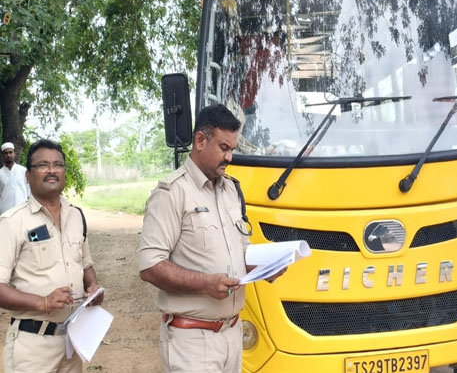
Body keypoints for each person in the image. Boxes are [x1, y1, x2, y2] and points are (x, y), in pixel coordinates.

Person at [138, 104, 285, 373]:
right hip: (192, 341)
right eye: (224, 148)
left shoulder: (230, 190)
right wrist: (205, 284)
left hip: (232, 333)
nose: (229, 157)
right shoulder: (171, 193)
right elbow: (150, 266)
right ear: (200, 141)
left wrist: (265, 267)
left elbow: (242, 249)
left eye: (232, 149)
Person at [0, 139, 104, 373]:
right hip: (32, 346)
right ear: (28, 176)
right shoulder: (12, 222)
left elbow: (85, 264)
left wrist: (93, 288)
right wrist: (43, 302)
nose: (51, 170)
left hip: (73, 343)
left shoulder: (76, 216)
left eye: (58, 165)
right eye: (43, 165)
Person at [0, 142, 31, 215]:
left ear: (15, 153)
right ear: (2, 156)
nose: (8, 155)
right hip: (5, 212)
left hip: (23, 211)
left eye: (10, 152)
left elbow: (29, 192)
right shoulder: (0, 173)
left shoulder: (24, 170)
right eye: (6, 153)